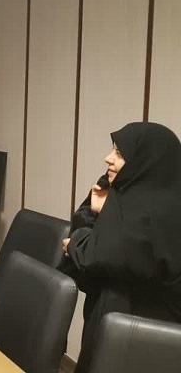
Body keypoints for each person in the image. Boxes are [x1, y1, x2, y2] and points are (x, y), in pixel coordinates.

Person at [60, 122, 181, 373]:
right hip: (110, 325)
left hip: (149, 340)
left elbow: (98, 255)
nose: (108, 158)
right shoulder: (119, 194)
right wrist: (94, 219)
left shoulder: (162, 213)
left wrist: (79, 242)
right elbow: (84, 239)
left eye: (119, 153)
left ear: (145, 164)